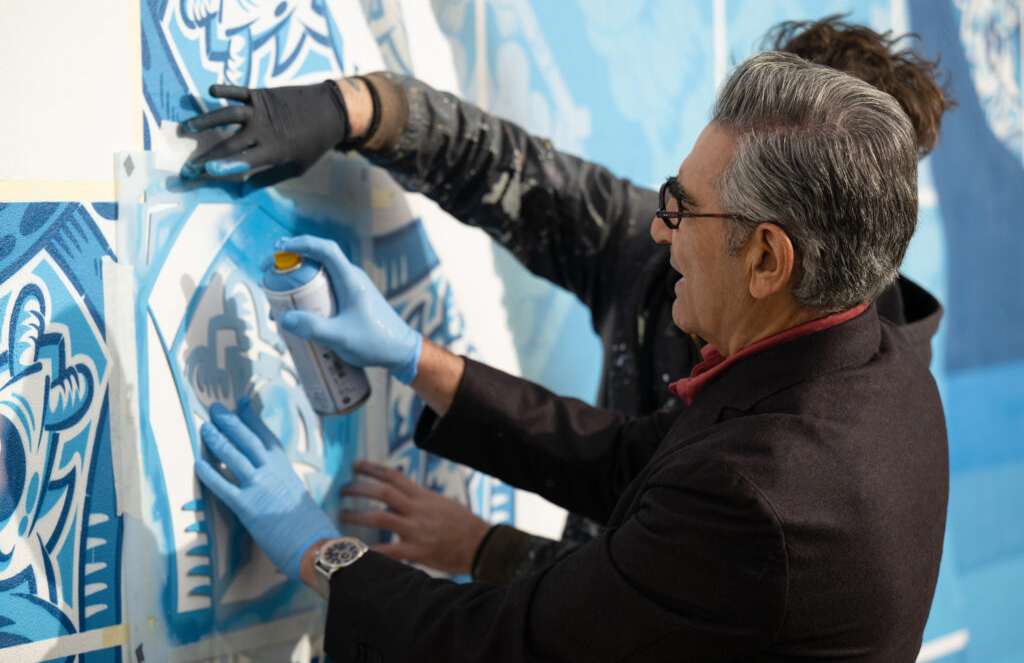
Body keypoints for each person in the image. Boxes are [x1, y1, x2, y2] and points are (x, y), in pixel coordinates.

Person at [195, 51, 948, 660]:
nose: (658, 231)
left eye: (680, 207)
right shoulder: (871, 364)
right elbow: (629, 459)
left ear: (766, 259)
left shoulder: (759, 493)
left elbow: (514, 641)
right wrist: (413, 357)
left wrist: (315, 549)